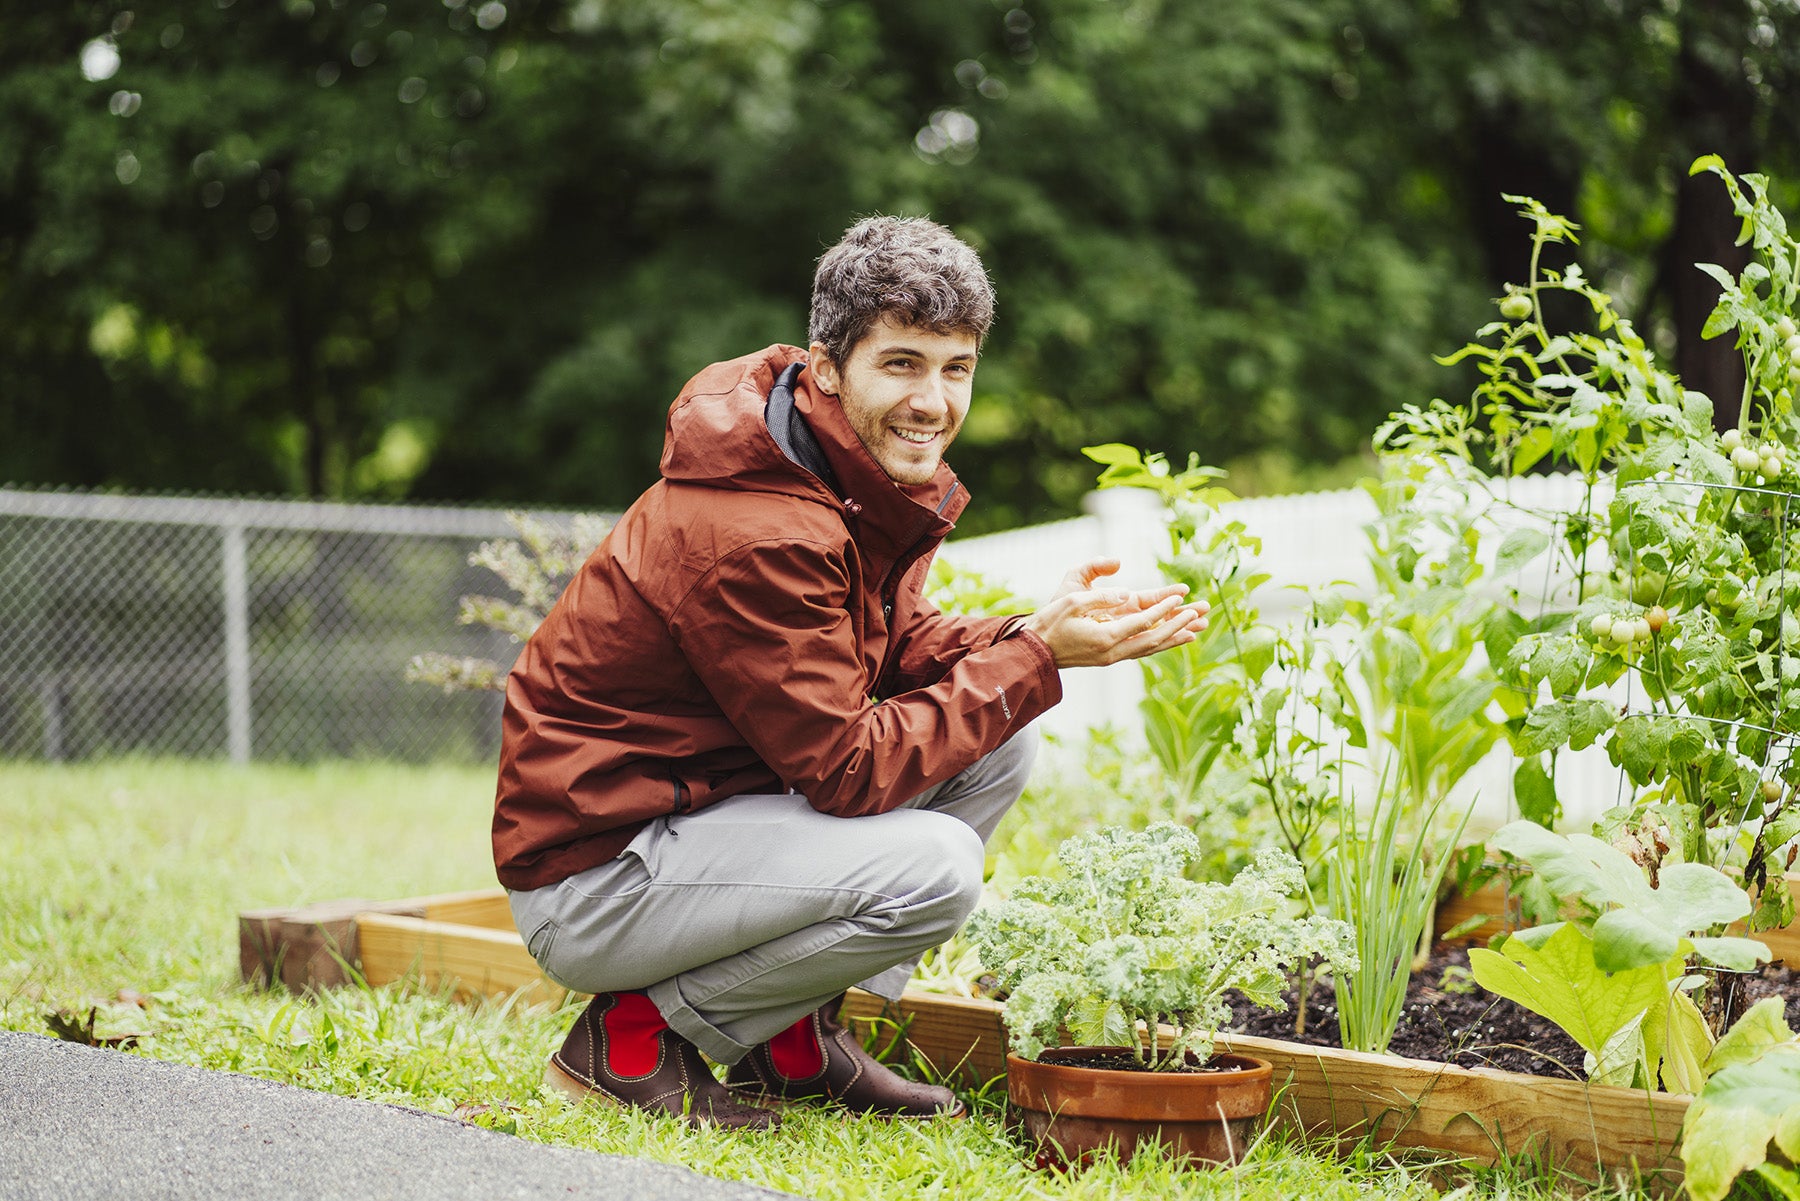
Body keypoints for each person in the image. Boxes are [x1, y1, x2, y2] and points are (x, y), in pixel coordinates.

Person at [493, 215, 1208, 1130]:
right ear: (829, 367)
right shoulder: (760, 527)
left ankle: (791, 1041)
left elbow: (894, 645)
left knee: (999, 745)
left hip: (692, 816)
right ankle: (627, 1042)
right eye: (902, 364)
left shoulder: (824, 462)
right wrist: (1035, 659)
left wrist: (1028, 631)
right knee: (937, 868)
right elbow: (847, 769)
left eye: (957, 368)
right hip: (599, 873)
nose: (934, 400)